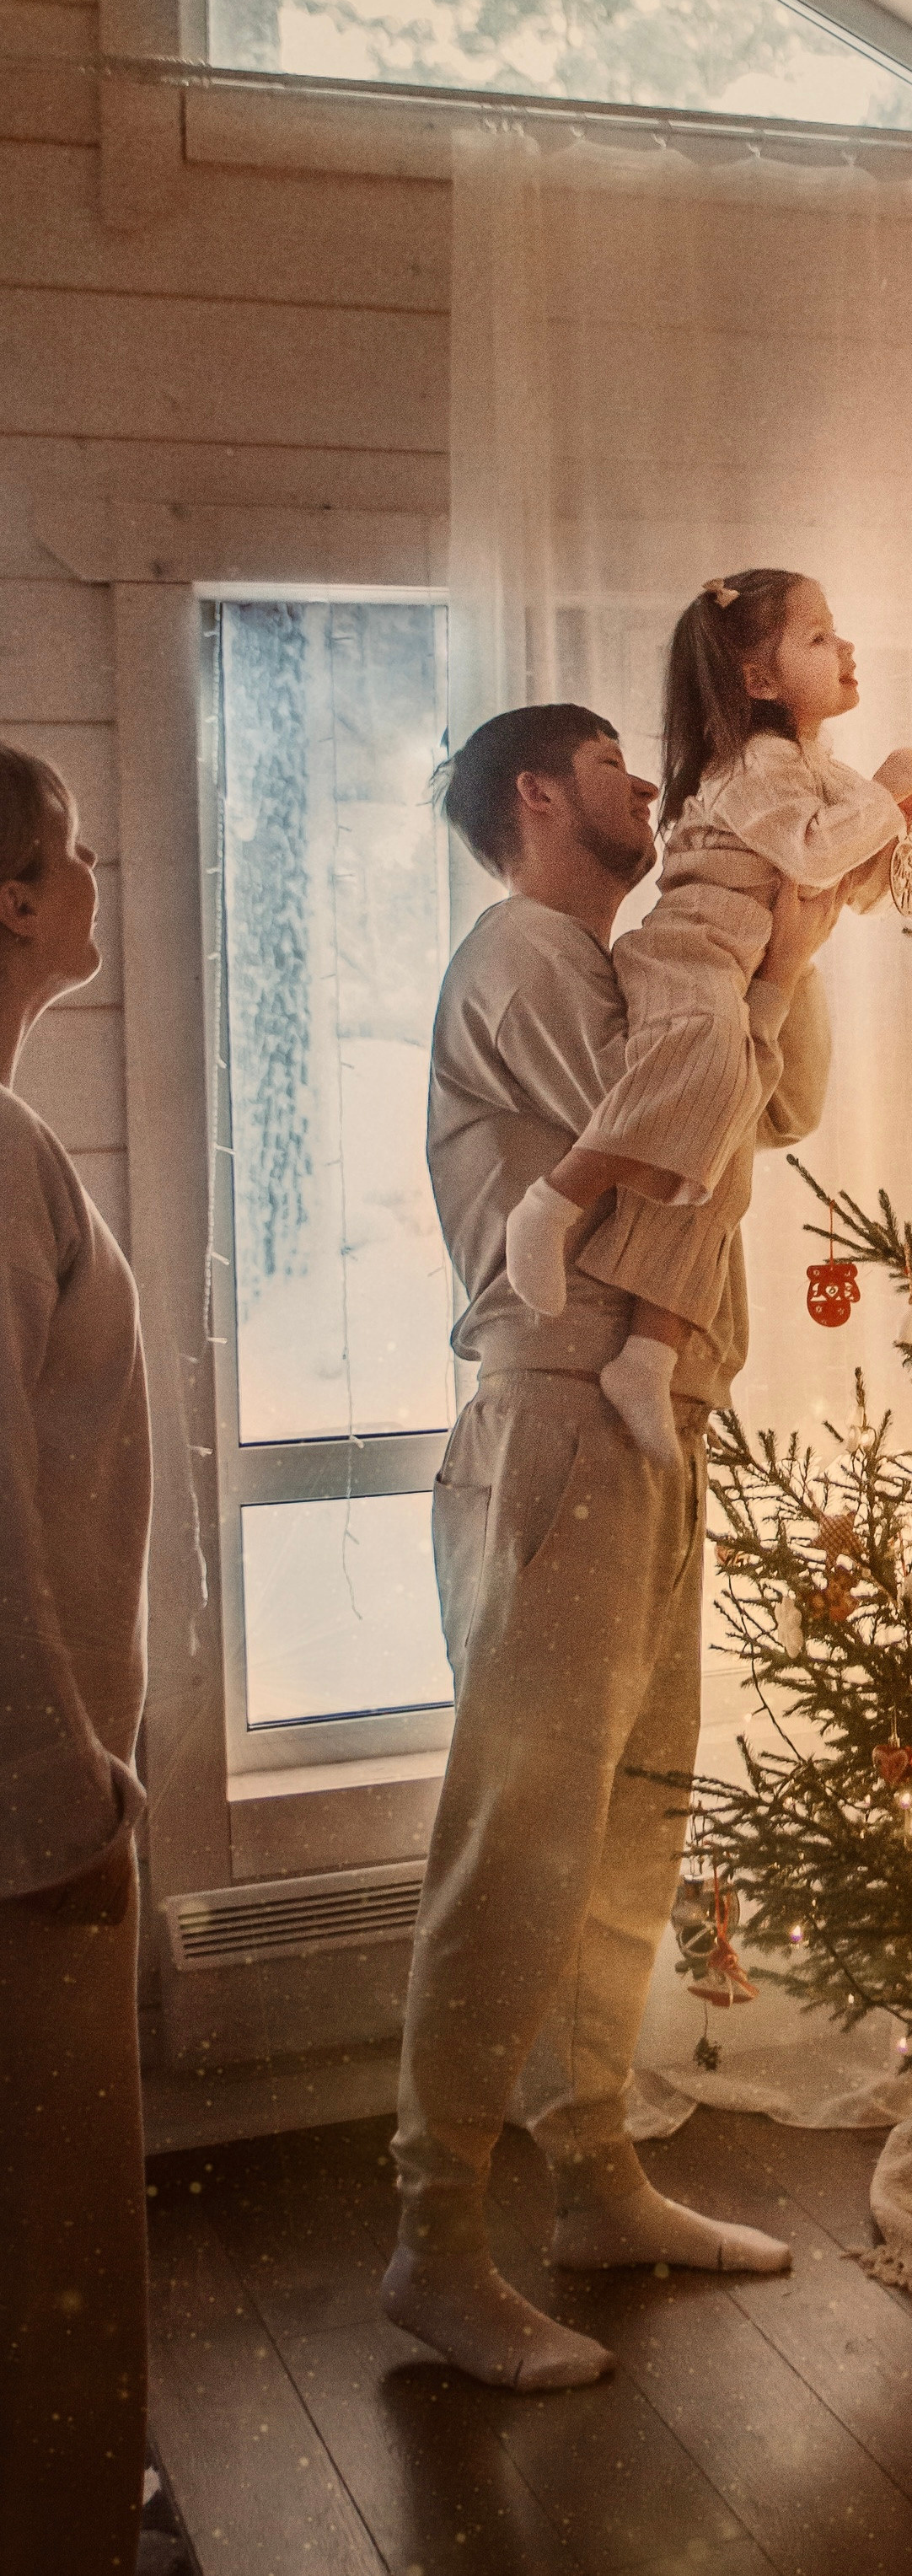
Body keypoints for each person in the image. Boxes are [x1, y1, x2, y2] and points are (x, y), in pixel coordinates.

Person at [385, 700, 849, 2391]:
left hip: (652, 1427)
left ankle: (594, 2182)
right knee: (517, 1840)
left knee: (631, 1816)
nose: (644, 789)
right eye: (608, 766)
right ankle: (432, 2242)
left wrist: (782, 956)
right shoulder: (520, 955)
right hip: (555, 1429)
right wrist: (777, 943)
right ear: (531, 792)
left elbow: (771, 1099)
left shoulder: (647, 970)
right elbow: (692, 1108)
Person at [502, 571, 912, 1465]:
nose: (846, 647)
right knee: (705, 1061)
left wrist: (907, 830)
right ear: (756, 682)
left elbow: (848, 887)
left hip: (745, 973)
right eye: (819, 637)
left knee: (718, 1171)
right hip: (688, 958)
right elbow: (814, 847)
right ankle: (552, 1202)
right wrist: (885, 790)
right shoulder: (752, 767)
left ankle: (650, 1347)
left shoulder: (818, 771)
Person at [0, 745, 153, 2572]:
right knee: (51, 2263)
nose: (93, 869)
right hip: (24, 1821)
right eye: (71, 851)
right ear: (17, 900)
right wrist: (60, 1806)